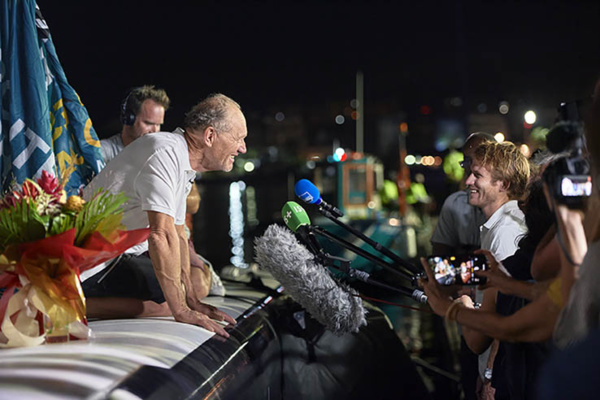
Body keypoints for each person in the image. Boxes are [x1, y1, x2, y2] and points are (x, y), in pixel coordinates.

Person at [82, 93, 246, 338]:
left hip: (117, 253)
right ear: (210, 136)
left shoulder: (179, 158)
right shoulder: (164, 153)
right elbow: (161, 237)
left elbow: (178, 234)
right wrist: (180, 310)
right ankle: (70, 302)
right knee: (170, 300)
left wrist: (191, 301)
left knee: (193, 285)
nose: (242, 147)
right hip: (93, 260)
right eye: (238, 138)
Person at [101, 85, 170, 163]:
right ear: (129, 119)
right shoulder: (102, 152)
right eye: (148, 123)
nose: (155, 131)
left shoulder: (159, 156)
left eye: (158, 125)